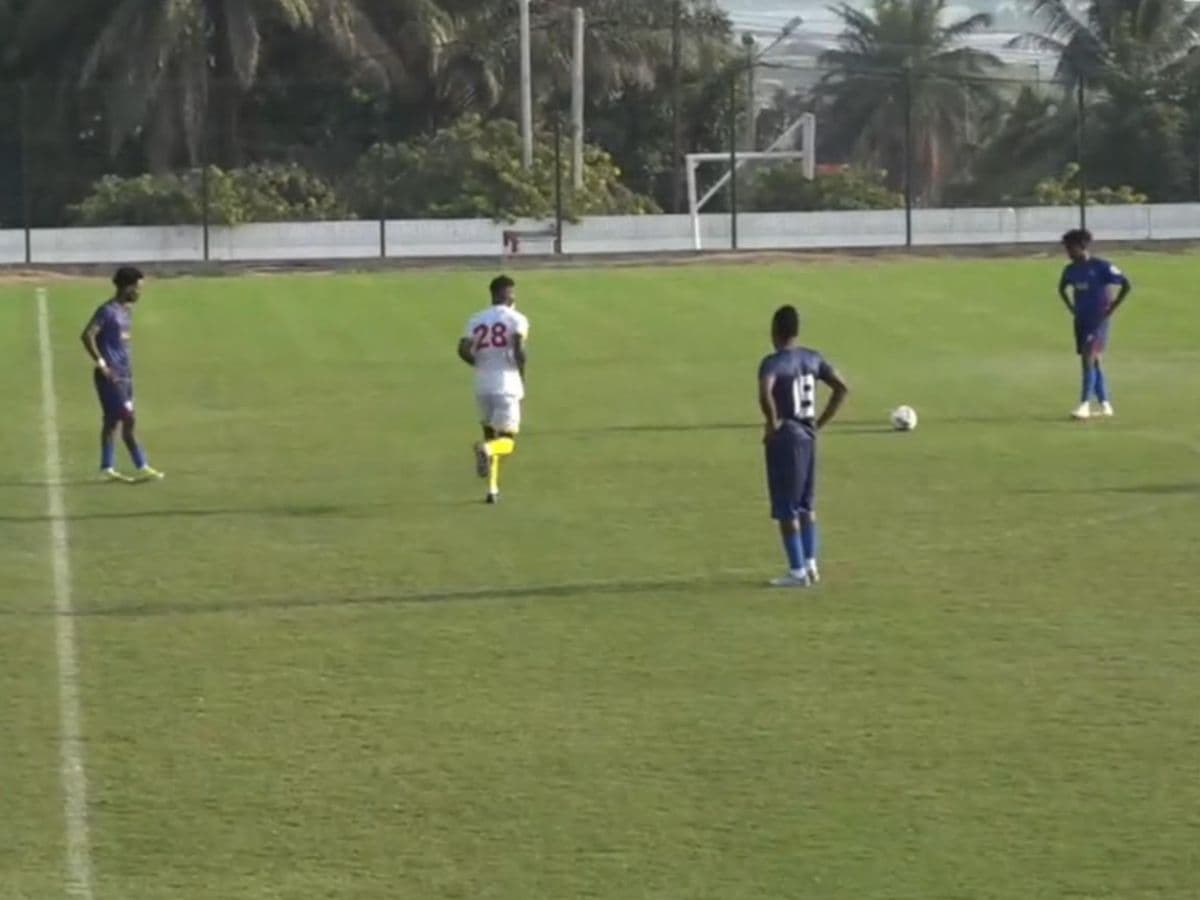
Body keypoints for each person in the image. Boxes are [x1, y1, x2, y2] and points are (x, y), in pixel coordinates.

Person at [758, 305, 849, 588]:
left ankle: (797, 571)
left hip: (787, 438)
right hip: (809, 436)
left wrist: (772, 423)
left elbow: (765, 391)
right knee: (807, 506)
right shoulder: (813, 358)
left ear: (774, 330)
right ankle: (811, 564)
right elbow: (841, 387)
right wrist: (819, 423)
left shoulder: (773, 363)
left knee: (787, 508)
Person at [80, 266, 164, 483]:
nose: (139, 293)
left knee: (112, 422)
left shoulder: (126, 311)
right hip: (111, 377)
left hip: (125, 376)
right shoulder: (107, 311)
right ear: (127, 287)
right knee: (128, 418)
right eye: (137, 288)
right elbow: (87, 335)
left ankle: (107, 467)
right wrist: (102, 364)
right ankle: (142, 465)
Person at [457, 275, 529, 504]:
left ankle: (492, 489)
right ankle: (485, 451)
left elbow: (462, 349)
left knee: (490, 435)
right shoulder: (517, 319)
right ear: (505, 295)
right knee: (506, 441)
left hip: (482, 384)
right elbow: (518, 348)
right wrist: (522, 374)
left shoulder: (475, 319)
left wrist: (479, 364)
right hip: (506, 384)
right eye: (512, 293)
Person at [1058, 229, 1132, 420]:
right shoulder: (1070, 269)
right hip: (1081, 321)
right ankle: (1105, 404)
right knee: (1094, 361)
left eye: (1070, 248)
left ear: (1081, 246)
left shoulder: (1101, 266)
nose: (1067, 252)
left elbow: (1126, 284)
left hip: (1098, 321)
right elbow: (1061, 289)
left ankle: (1084, 405)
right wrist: (1071, 308)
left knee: (1088, 359)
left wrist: (1111, 309)